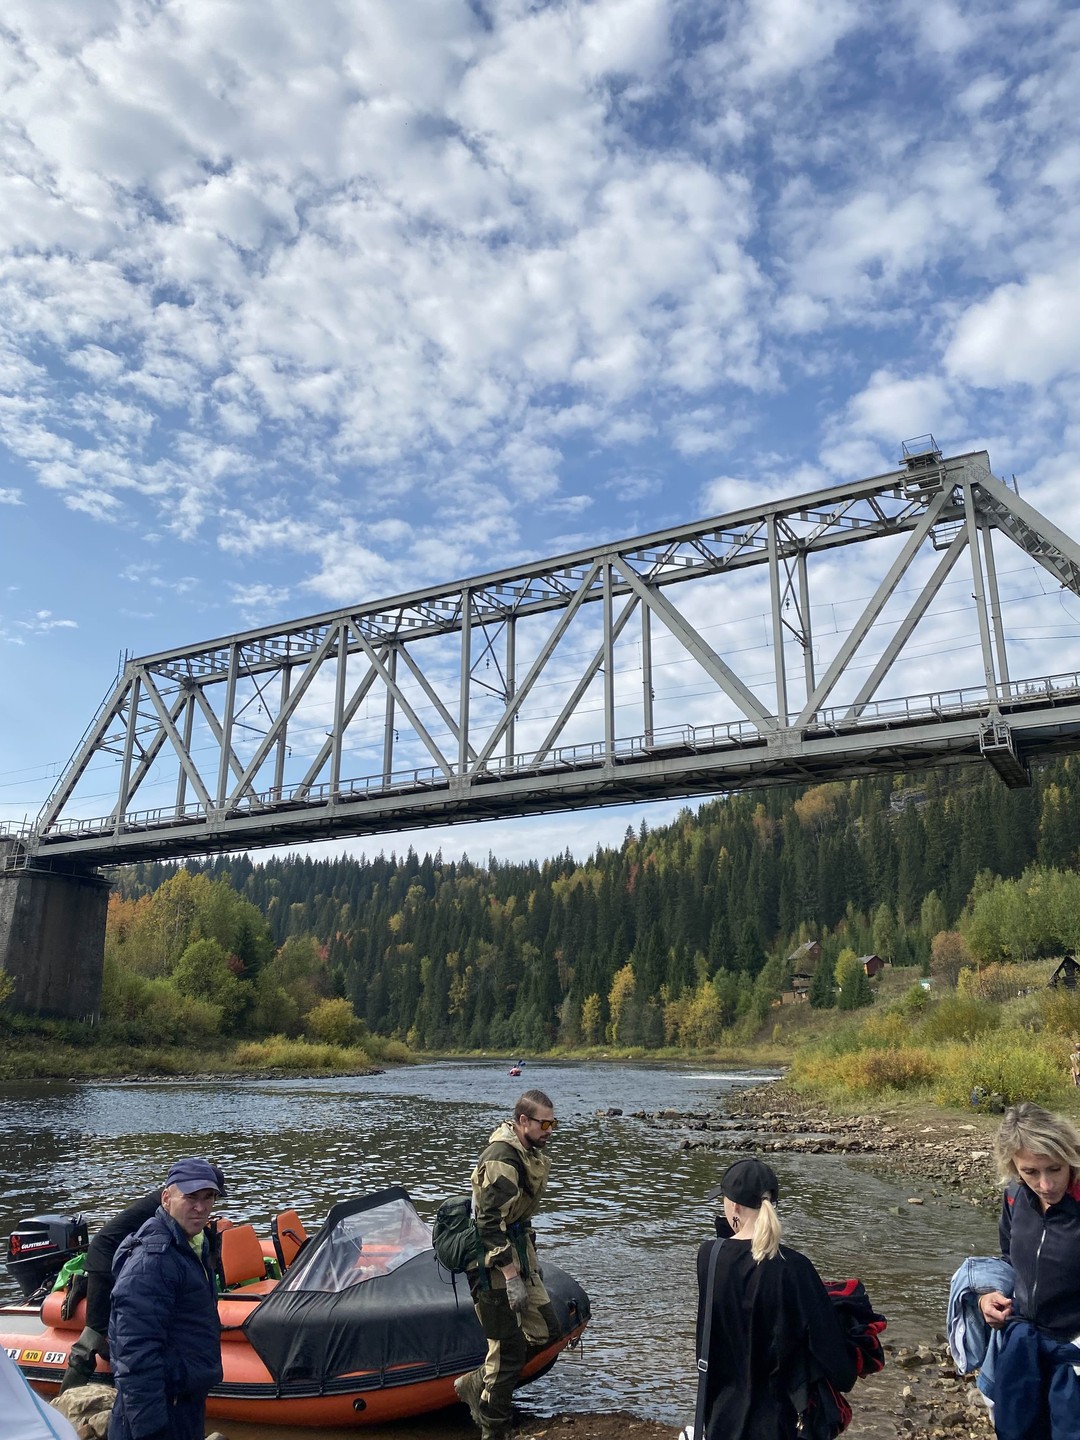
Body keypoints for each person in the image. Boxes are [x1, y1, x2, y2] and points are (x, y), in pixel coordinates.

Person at [693, 1157, 856, 1440]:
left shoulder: (709, 1256)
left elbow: (714, 1336)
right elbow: (840, 1369)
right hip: (779, 1424)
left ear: (733, 1207)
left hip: (721, 1421)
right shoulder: (794, 1267)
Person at [454, 1089, 560, 1440]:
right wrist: (511, 1274)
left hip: (516, 1248)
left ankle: (475, 1383)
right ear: (522, 1121)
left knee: (546, 1330)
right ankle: (493, 1429)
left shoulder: (528, 1151)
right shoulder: (502, 1158)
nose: (549, 1130)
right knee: (506, 1351)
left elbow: (516, 1218)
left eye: (552, 1122)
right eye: (543, 1123)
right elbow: (487, 1224)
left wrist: (528, 1262)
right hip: (490, 1262)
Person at [973, 1102, 1080, 1438]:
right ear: (1014, 1167)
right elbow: (1009, 1262)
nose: (1046, 1184)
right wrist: (987, 1298)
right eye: (1031, 1172)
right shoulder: (1015, 1199)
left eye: (1055, 1169)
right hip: (1023, 1344)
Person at [107, 1157, 226, 1440]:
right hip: (158, 1412)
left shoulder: (193, 1245)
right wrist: (151, 1429)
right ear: (166, 1198)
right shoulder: (153, 1260)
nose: (201, 1207)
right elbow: (134, 1352)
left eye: (208, 1197)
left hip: (184, 1403)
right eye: (191, 1197)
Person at [59, 1187, 164, 1393]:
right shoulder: (171, 1202)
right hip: (105, 1257)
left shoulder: (176, 1199)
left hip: (122, 1257)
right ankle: (64, 1399)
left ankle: (84, 1284)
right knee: (93, 1334)